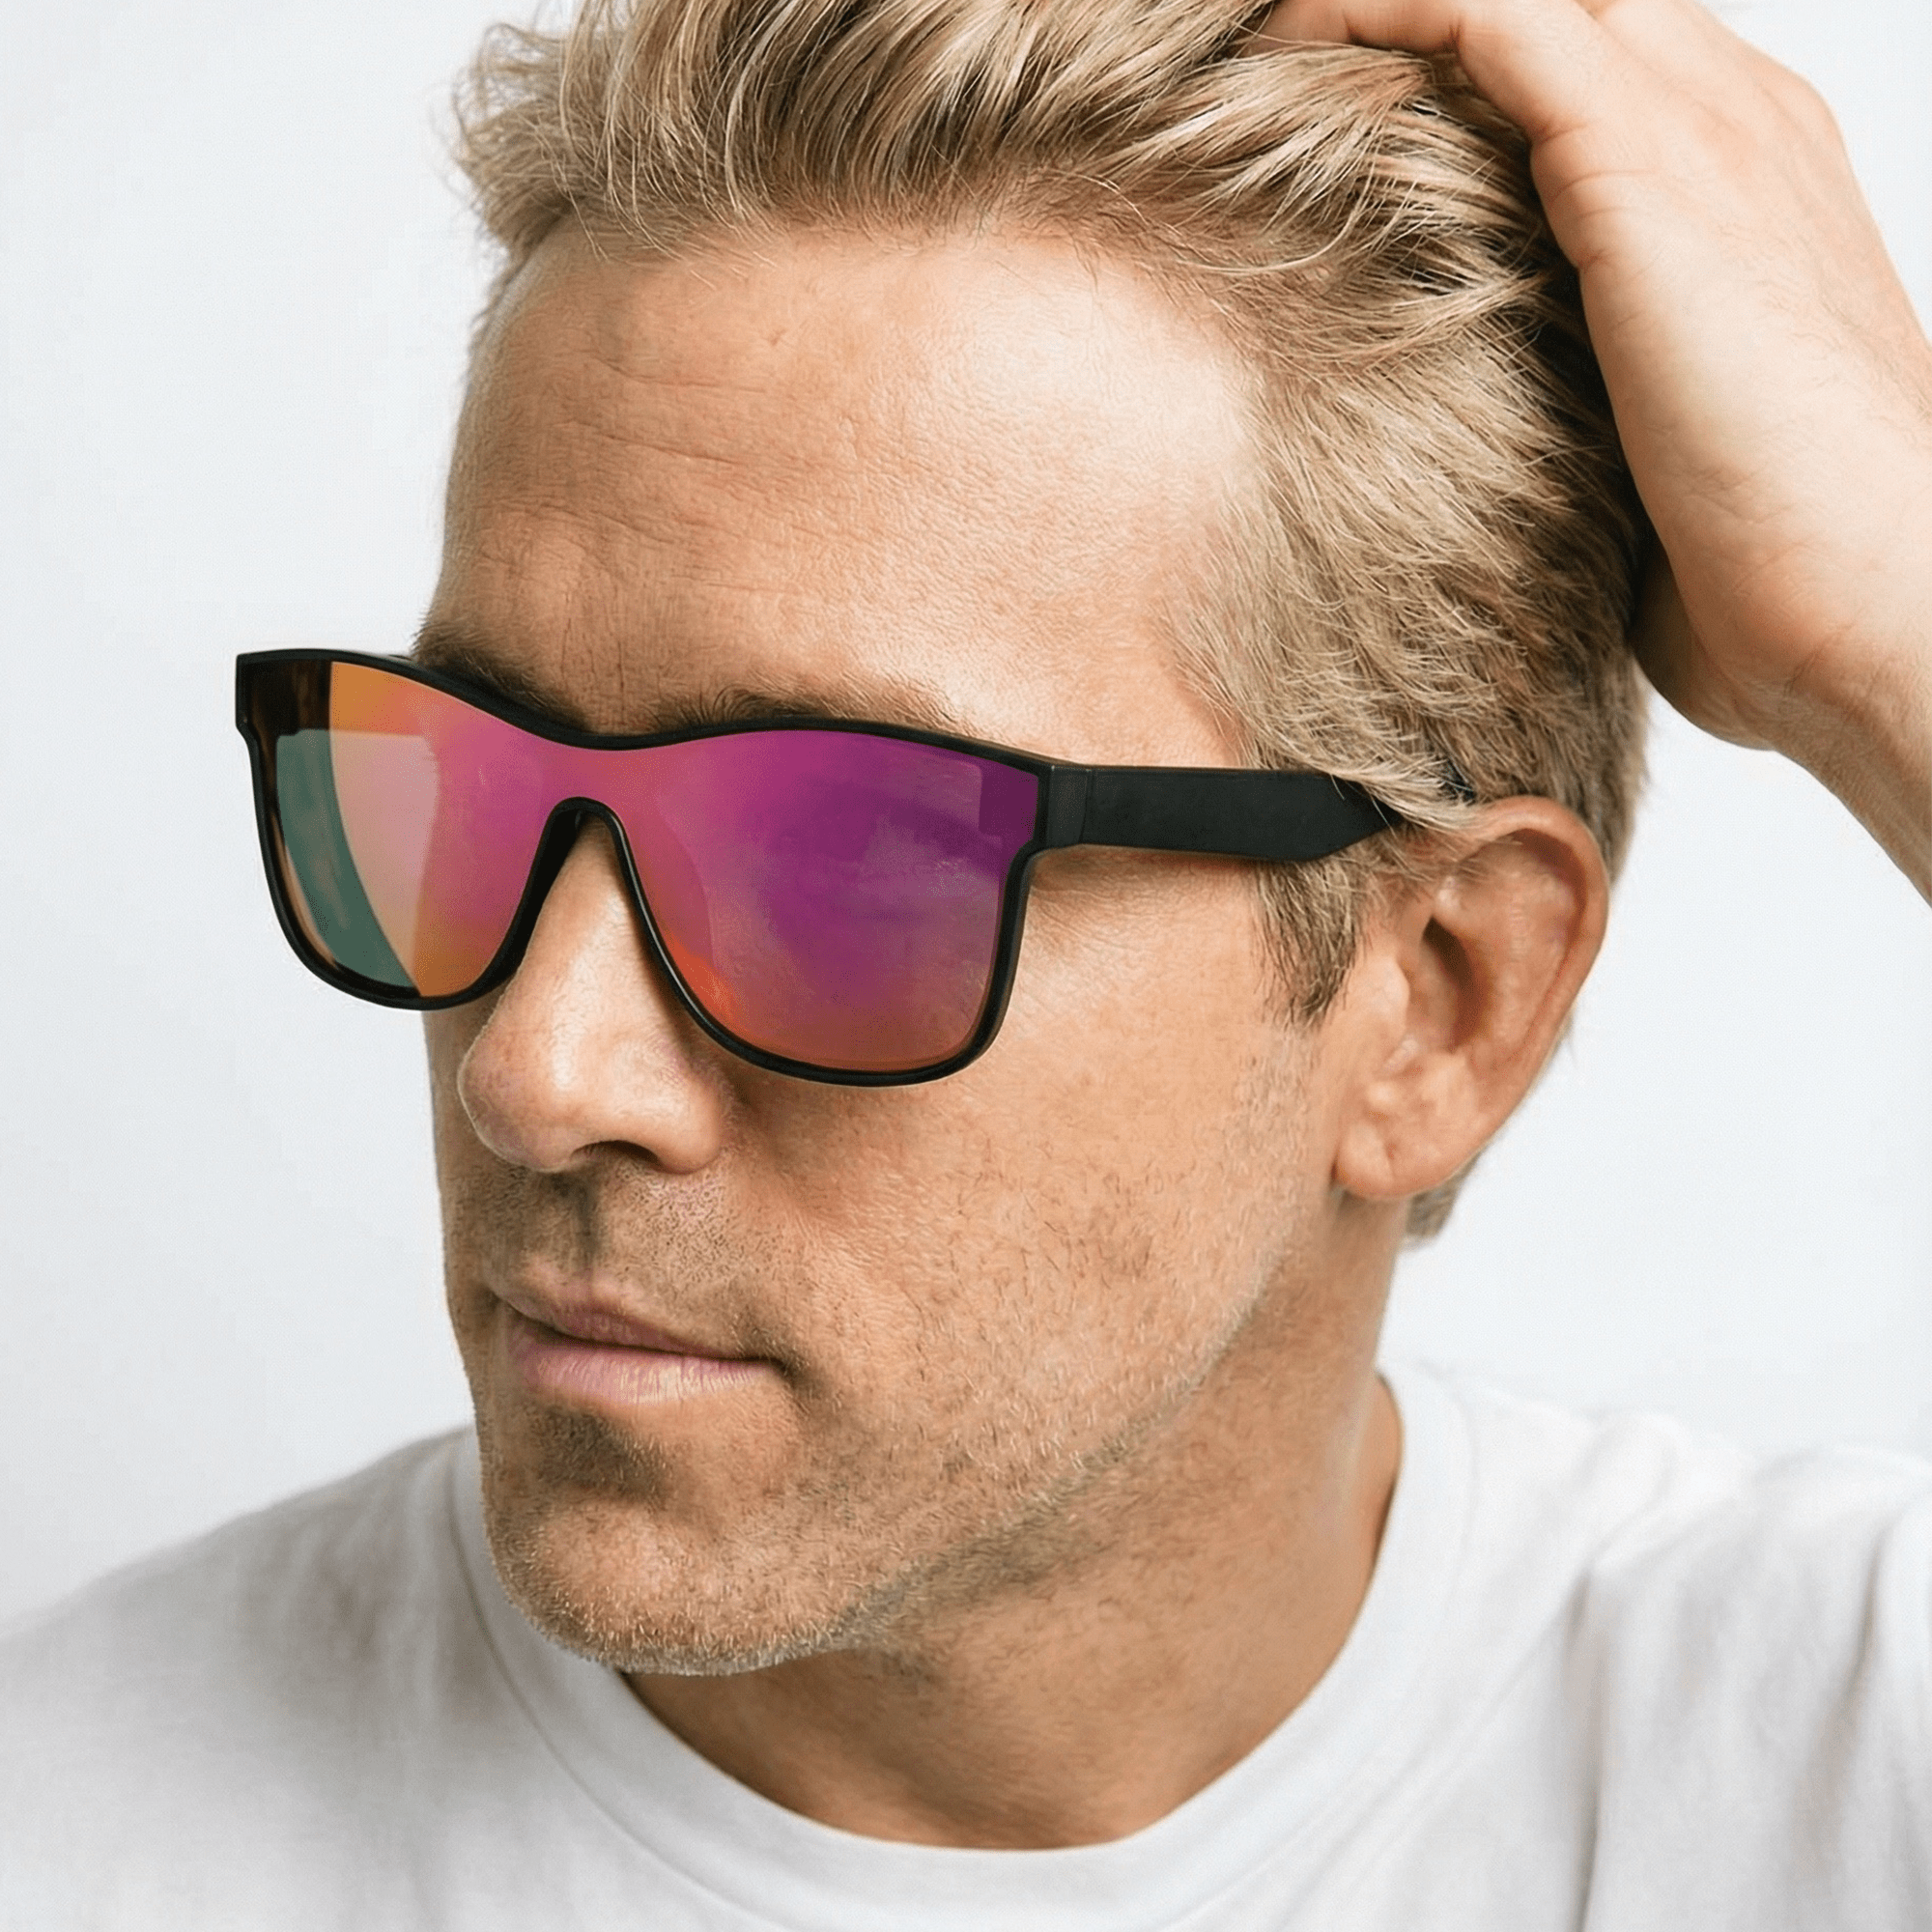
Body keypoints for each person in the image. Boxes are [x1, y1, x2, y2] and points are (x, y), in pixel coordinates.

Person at [2, 0, 1925, 1923]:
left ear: (1440, 1001)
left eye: (840, 862)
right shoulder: (76, 1832)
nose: (536, 1070)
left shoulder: (1826, 1768)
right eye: (473, 784)